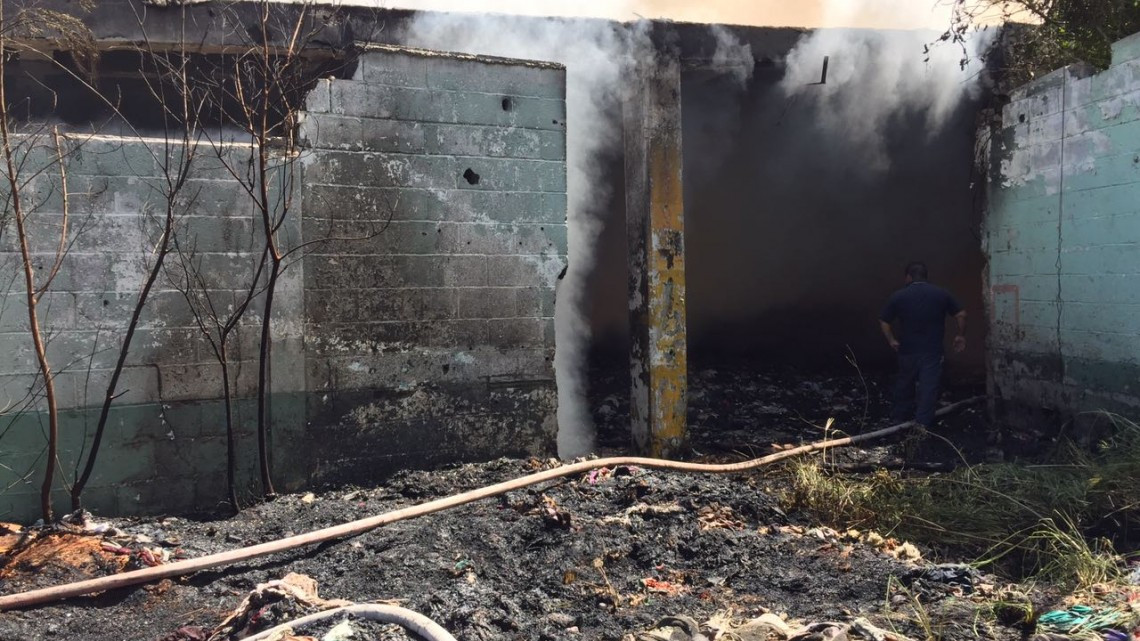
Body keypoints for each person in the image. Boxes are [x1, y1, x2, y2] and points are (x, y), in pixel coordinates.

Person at [879, 262, 967, 427]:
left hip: (907, 350)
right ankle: (922, 425)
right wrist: (960, 335)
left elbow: (884, 321)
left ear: (908, 277)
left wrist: (891, 340)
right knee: (929, 387)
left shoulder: (899, 296)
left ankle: (899, 418)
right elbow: (961, 314)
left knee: (905, 383)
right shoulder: (941, 294)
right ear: (925, 276)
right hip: (932, 351)